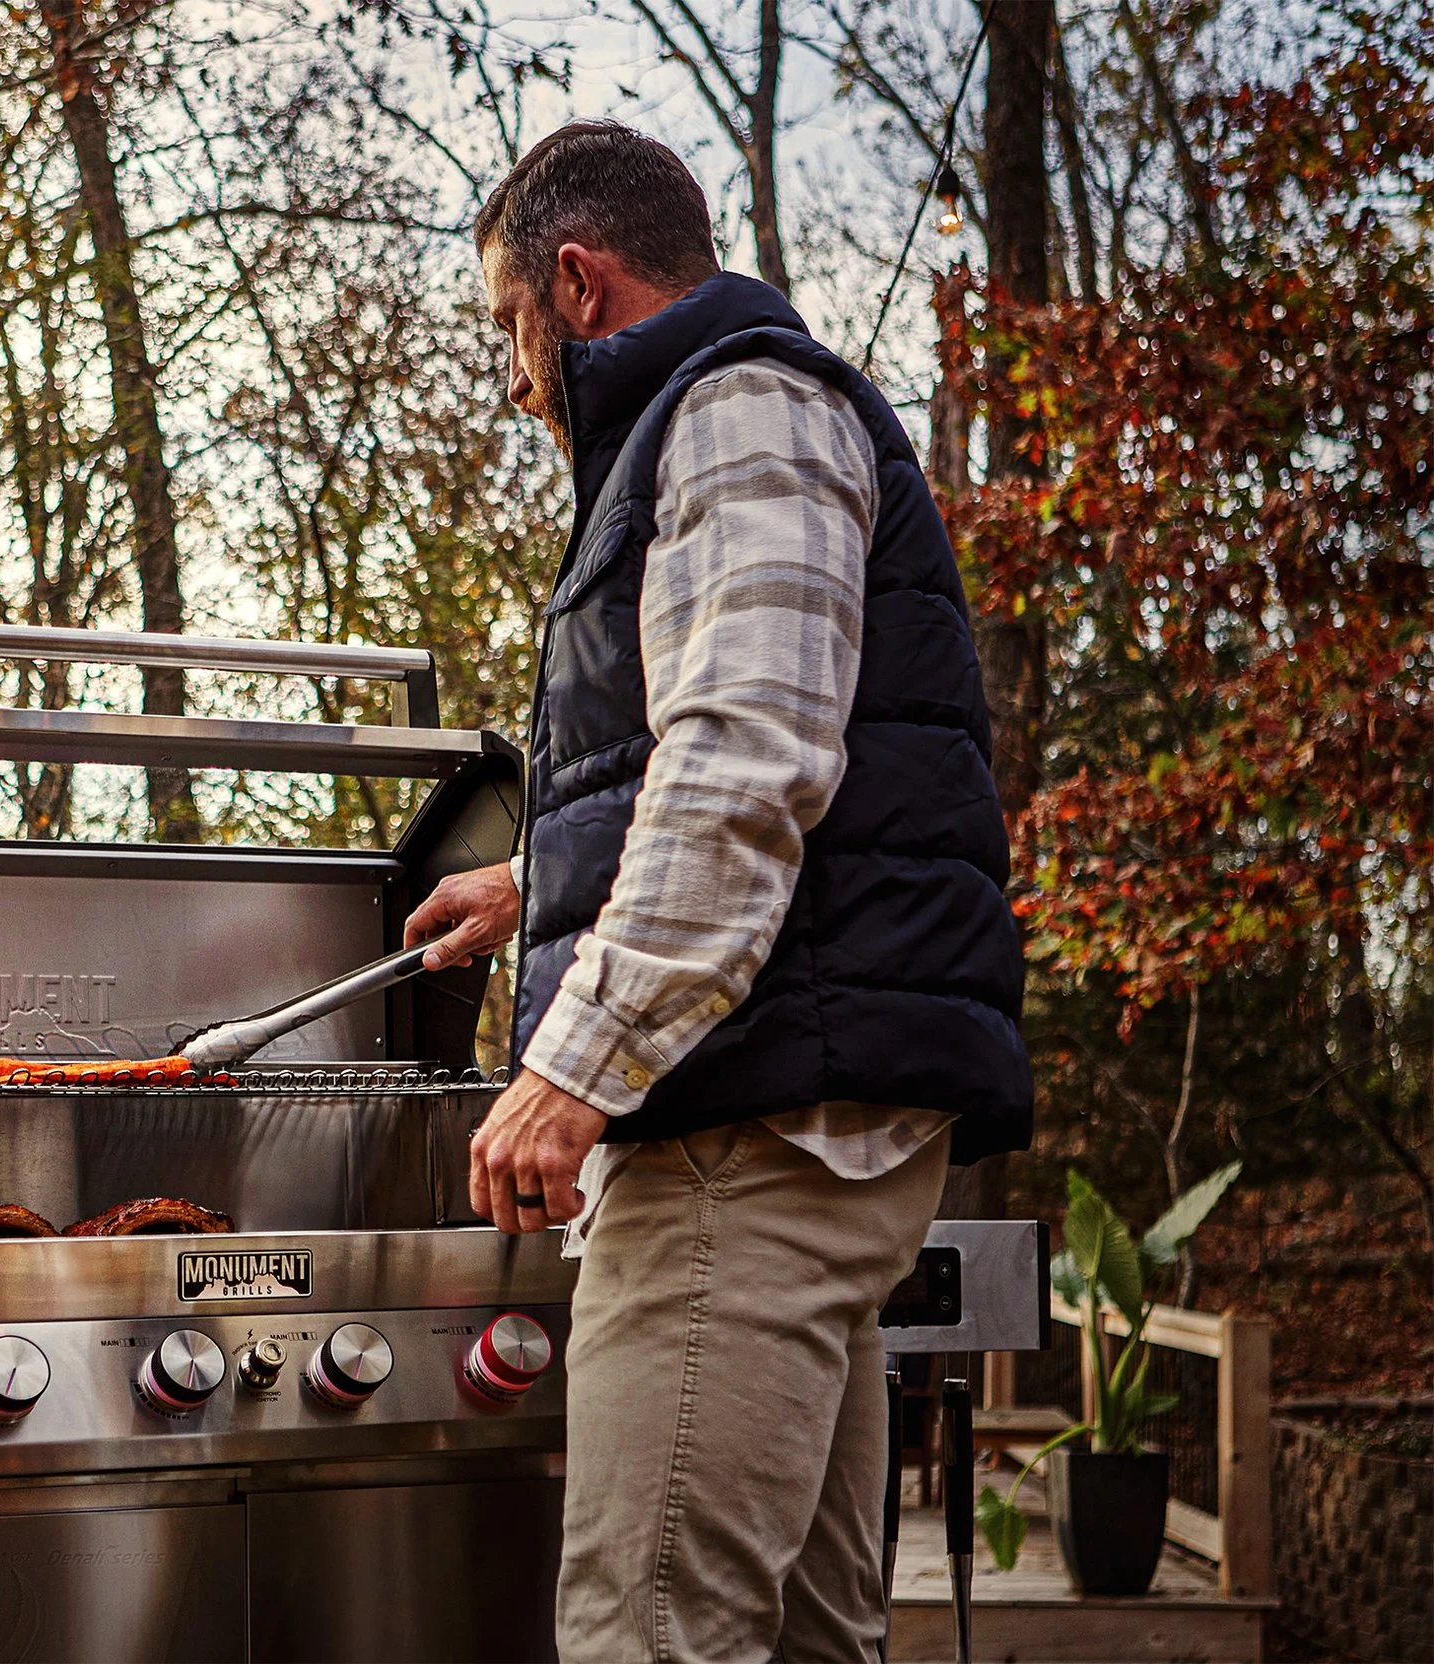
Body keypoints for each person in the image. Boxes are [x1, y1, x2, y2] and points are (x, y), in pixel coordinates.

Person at [402, 120, 1031, 1662]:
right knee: (815, 1644)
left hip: (737, 1134)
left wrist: (568, 1074)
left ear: (576, 280)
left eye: (508, 329)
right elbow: (757, 759)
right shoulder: (727, 418)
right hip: (795, 1119)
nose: (511, 377)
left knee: (650, 1638)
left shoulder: (743, 409)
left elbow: (747, 767)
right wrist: (530, 882)